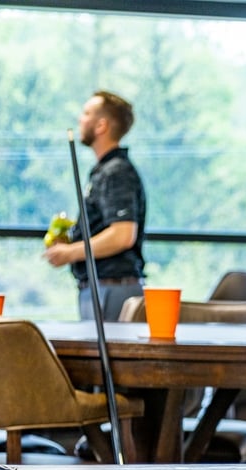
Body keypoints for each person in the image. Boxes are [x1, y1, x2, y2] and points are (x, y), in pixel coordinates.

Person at [43, 90, 146, 321]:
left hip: (113, 289)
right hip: (97, 287)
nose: (80, 119)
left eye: (86, 113)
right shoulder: (103, 171)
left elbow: (122, 235)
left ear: (101, 125)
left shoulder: (117, 172)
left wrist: (70, 252)